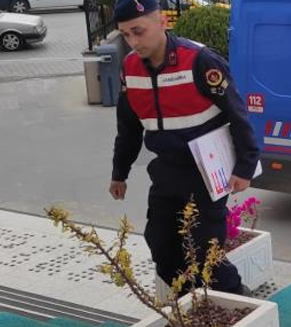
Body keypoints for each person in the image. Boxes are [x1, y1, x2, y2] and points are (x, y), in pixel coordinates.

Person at [108, 0, 259, 295]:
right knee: (161, 245)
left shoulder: (200, 60)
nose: (133, 42)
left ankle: (239, 302)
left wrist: (245, 166)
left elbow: (237, 115)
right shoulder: (130, 68)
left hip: (205, 174)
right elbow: (128, 128)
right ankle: (190, 302)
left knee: (205, 252)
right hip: (165, 172)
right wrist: (119, 173)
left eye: (138, 31)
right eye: (126, 35)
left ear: (162, 22)